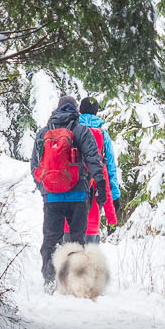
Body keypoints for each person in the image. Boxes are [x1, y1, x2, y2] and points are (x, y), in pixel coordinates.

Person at [31, 94, 107, 290]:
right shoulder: (81, 130)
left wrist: (44, 189)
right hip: (79, 195)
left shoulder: (43, 133)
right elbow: (93, 159)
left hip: (52, 197)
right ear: (75, 111)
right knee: (76, 241)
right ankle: (75, 283)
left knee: (50, 240)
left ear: (57, 109)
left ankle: (49, 281)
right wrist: (99, 185)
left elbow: (34, 166)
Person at [78, 96, 121, 237]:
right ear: (97, 112)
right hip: (97, 188)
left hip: (73, 188)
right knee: (91, 235)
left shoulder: (73, 130)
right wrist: (114, 196)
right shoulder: (103, 134)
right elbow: (111, 168)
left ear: (80, 110)